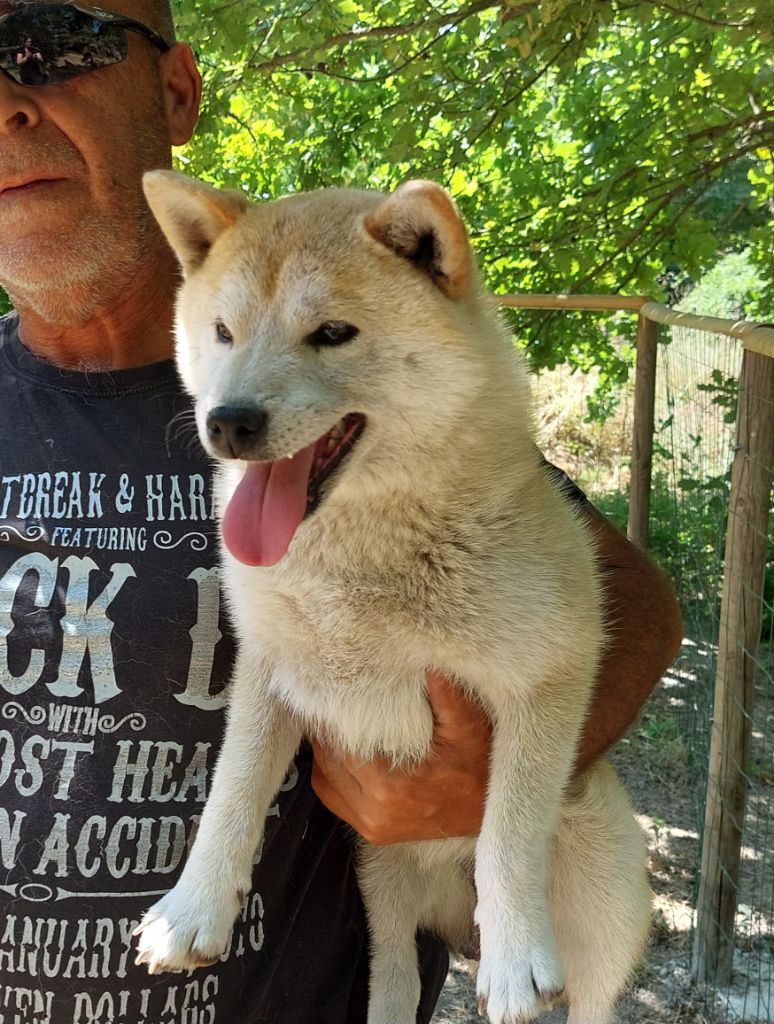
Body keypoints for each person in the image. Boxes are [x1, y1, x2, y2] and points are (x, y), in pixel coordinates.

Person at [0, 1, 682, 1021]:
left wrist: (490, 794)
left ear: (176, 89)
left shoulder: (404, 423)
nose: (8, 101)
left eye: (51, 44)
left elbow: (614, 602)